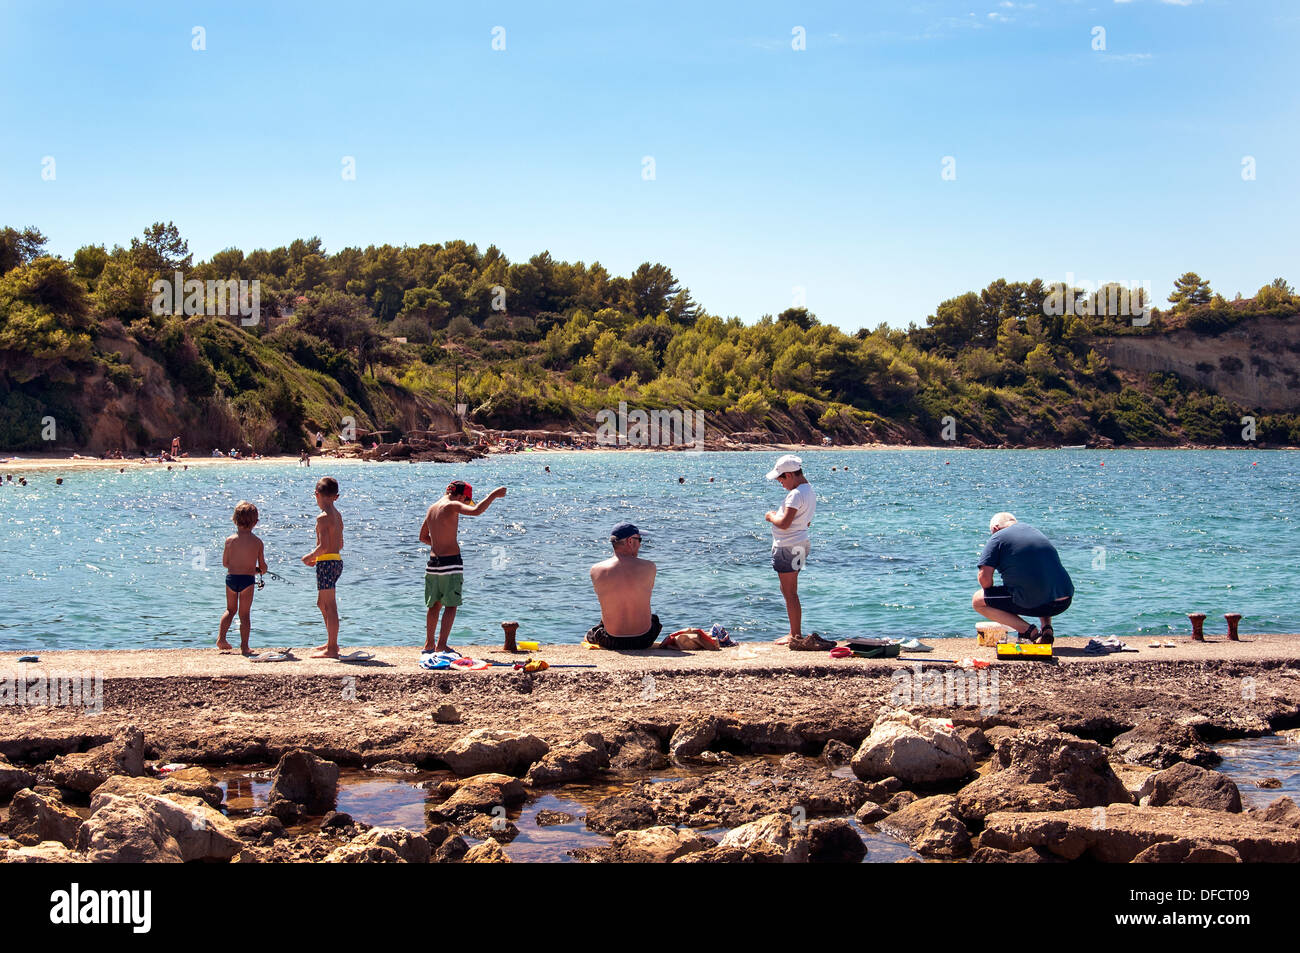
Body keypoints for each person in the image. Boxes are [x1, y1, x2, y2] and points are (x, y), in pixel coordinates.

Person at [419, 480, 508, 652]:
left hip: (433, 564)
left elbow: (423, 536)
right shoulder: (451, 505)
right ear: (461, 495)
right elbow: (476, 511)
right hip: (451, 563)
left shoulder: (432, 508)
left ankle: (429, 644)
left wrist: (438, 544)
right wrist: (494, 495)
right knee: (451, 605)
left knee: (434, 605)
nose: (464, 504)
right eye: (466, 501)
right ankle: (442, 645)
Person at [972, 512, 1074, 643]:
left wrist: (997, 594)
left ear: (996, 528)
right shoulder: (1035, 532)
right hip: (1064, 600)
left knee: (978, 601)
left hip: (1037, 601)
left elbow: (984, 579)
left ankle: (1029, 631)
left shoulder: (997, 537)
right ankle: (1047, 628)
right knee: (1040, 580)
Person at [764, 455, 827, 649]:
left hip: (787, 547)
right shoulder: (809, 491)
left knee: (790, 592)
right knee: (789, 590)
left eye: (781, 479)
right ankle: (795, 632)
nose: (780, 483)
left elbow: (784, 523)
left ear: (790, 475)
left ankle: (795, 634)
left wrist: (771, 516)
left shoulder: (795, 494)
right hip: (800, 544)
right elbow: (805, 521)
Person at [586, 523, 660, 649]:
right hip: (644, 639)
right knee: (654, 619)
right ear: (630, 541)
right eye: (639, 540)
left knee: (592, 632)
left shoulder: (596, 570)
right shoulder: (649, 567)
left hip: (611, 641)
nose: (640, 544)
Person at [217, 501, 267, 655]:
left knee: (230, 610)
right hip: (247, 581)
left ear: (234, 520)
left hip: (231, 579)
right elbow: (263, 567)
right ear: (255, 522)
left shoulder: (229, 540)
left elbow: (225, 563)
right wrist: (259, 570)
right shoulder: (257, 542)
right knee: (244, 614)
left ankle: (221, 639)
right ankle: (244, 647)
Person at [302, 477, 345, 657]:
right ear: (336, 496)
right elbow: (340, 544)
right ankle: (330, 640)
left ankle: (333, 648)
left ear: (316, 494)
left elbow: (323, 547)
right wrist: (318, 558)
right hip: (335, 561)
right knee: (322, 603)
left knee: (330, 605)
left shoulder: (322, 518)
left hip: (327, 562)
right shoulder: (337, 515)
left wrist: (310, 556)